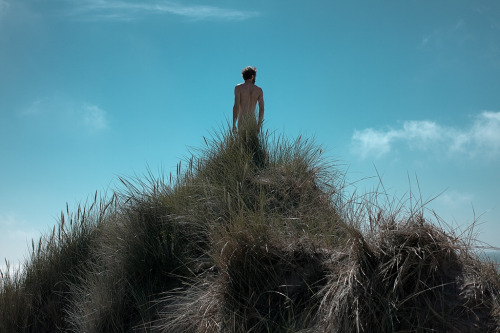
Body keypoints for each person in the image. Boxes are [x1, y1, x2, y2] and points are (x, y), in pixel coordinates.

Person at [232, 66, 264, 134]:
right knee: (252, 144)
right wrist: (259, 125)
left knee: (241, 144)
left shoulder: (239, 88)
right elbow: (262, 109)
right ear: (252, 76)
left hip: (242, 121)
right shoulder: (259, 90)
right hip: (253, 122)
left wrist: (234, 124)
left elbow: (236, 106)